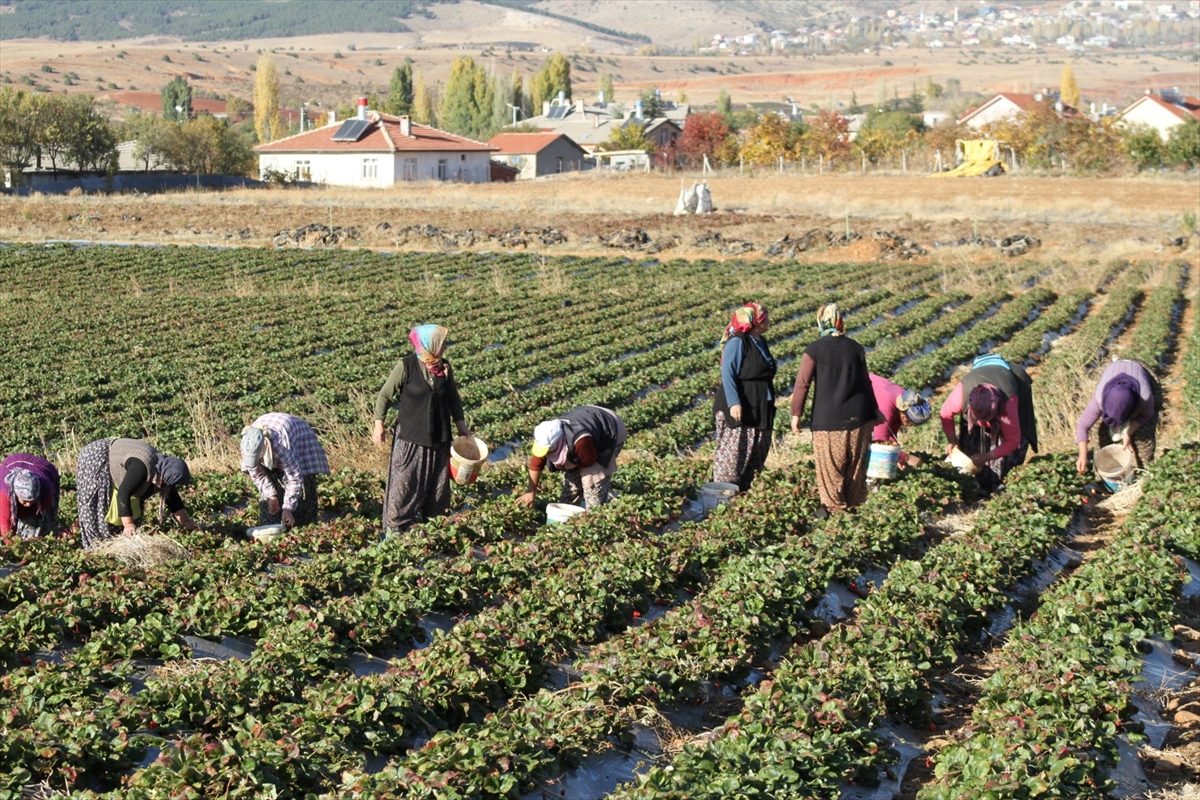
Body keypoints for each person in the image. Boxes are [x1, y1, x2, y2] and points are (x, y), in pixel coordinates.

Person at [373, 324, 470, 533]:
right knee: (404, 486)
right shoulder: (406, 366)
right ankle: (395, 531)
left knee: (437, 490)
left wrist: (462, 427)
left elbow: (453, 398)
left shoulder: (444, 367)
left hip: (439, 438)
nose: (445, 347)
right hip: (411, 438)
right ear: (430, 343)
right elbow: (385, 395)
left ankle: (432, 532)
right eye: (442, 343)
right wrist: (378, 424)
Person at [790, 303, 882, 517]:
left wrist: (796, 414)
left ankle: (837, 516)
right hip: (859, 418)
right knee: (855, 471)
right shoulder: (855, 347)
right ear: (840, 321)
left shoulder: (814, 349)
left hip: (828, 422)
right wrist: (875, 410)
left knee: (831, 472)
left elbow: (802, 383)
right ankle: (853, 511)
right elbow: (866, 382)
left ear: (821, 322)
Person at [74, 437, 200, 550]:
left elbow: (171, 496)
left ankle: (120, 545)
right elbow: (123, 493)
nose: (170, 486)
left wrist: (185, 521)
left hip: (121, 456)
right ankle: (96, 548)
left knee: (130, 511)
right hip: (98, 456)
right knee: (98, 506)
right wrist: (128, 524)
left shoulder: (164, 471)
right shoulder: (142, 468)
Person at [940, 353, 1038, 492]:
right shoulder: (962, 393)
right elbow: (945, 413)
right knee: (972, 438)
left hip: (1012, 378)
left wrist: (988, 456)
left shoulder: (1008, 403)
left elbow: (1013, 440)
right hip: (981, 373)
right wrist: (952, 440)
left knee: (1016, 438)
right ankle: (978, 482)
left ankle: (1001, 482)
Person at [713, 302, 777, 491]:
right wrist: (735, 403)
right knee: (734, 457)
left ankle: (743, 494)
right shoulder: (738, 341)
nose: (768, 320)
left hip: (760, 407)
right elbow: (728, 373)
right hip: (741, 406)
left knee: (755, 455)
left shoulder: (760, 341)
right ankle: (723, 495)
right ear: (756, 321)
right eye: (765, 317)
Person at [517, 405, 628, 509]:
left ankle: (595, 513)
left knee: (593, 485)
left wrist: (586, 487)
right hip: (587, 417)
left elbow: (588, 462)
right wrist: (531, 492)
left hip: (609, 427)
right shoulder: (544, 436)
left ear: (557, 442)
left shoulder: (581, 441)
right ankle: (567, 514)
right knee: (571, 487)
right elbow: (536, 465)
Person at [241, 413, 330, 528]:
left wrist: (288, 508)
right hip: (273, 432)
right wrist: (271, 496)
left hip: (300, 438)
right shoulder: (247, 446)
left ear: (265, 449)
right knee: (269, 507)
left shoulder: (281, 446)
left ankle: (301, 528)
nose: (258, 461)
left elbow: (294, 478)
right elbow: (257, 474)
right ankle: (272, 527)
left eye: (260, 458)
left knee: (303, 496)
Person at [1075, 359, 1161, 475]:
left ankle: (1145, 475)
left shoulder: (1144, 397)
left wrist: (1128, 432)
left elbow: (1147, 415)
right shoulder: (1100, 398)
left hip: (1141, 371)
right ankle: (1103, 477)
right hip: (1111, 370)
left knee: (1143, 440)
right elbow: (1083, 425)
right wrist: (1083, 455)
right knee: (1100, 434)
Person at [870, 374, 933, 470]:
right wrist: (906, 458)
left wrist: (897, 457)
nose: (910, 426)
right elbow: (879, 441)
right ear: (904, 416)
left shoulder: (905, 399)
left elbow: (890, 431)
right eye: (910, 423)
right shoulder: (886, 407)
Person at [0, 453, 60, 541]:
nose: (28, 504)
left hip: (45, 469)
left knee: (40, 526)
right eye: (24, 501)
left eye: (32, 500)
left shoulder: (46, 490)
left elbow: (36, 512)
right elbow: (5, 521)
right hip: (11, 463)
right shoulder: (5, 492)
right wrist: (12, 545)